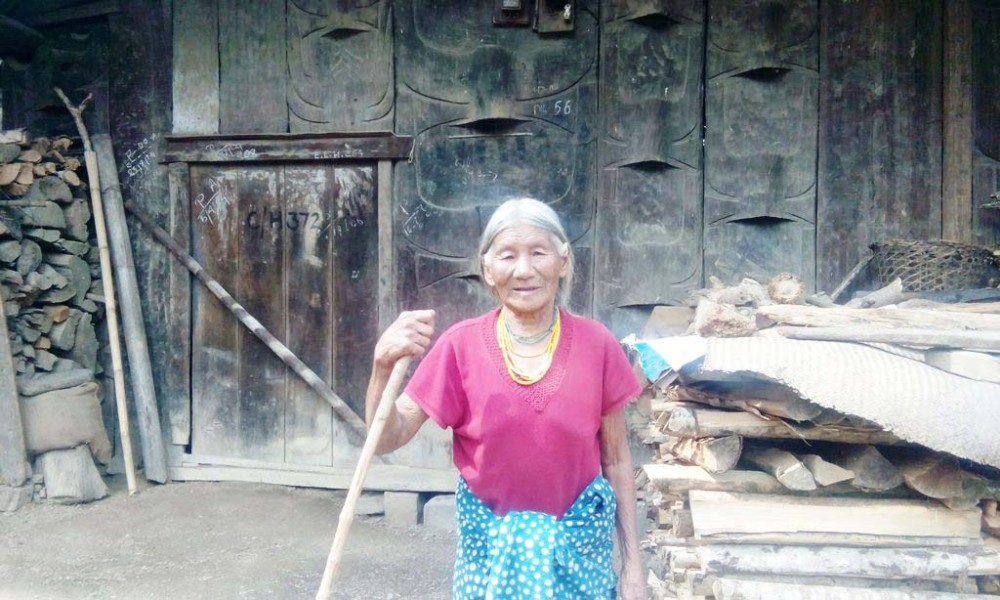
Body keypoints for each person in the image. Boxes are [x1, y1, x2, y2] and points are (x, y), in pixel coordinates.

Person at [366, 198, 645, 599]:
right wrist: (381, 367)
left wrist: (633, 569)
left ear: (563, 262)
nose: (524, 270)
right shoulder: (459, 346)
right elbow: (387, 438)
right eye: (508, 255)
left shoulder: (596, 343)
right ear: (488, 270)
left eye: (538, 252)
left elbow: (616, 459)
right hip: (490, 564)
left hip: (579, 558)